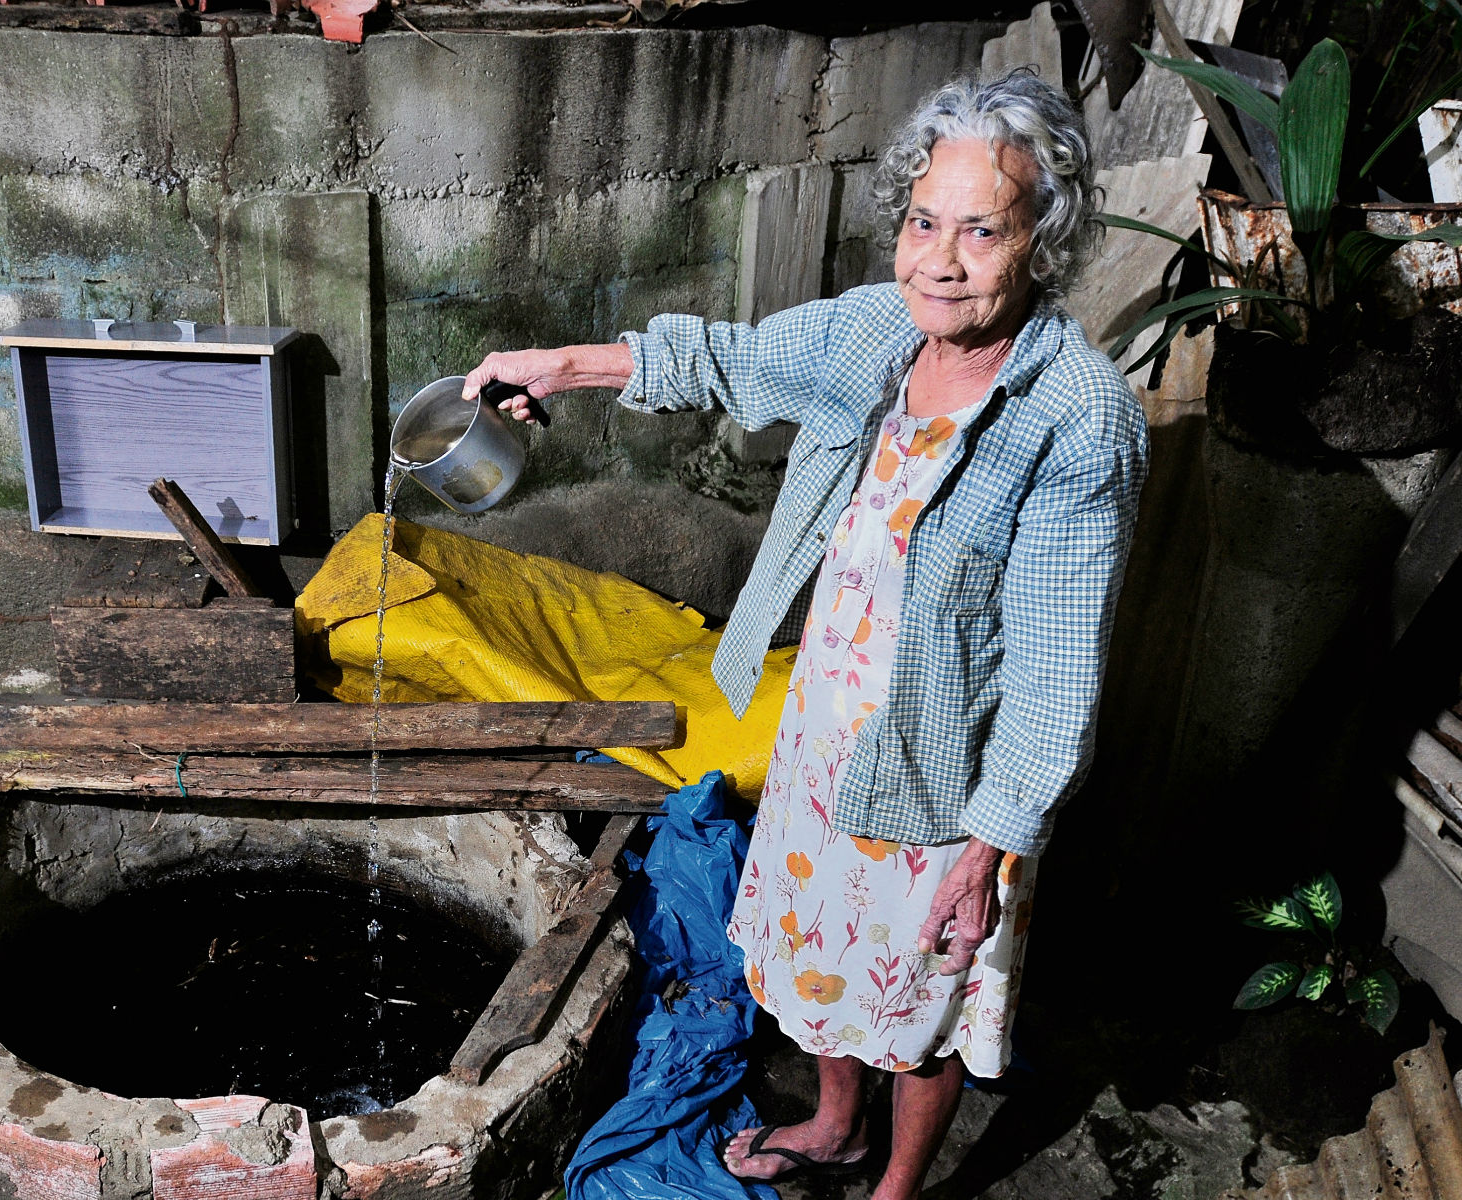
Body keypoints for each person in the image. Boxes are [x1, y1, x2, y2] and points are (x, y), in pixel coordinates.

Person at [460, 70, 1146, 1197]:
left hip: (948, 778)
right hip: (828, 732)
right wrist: (562, 368)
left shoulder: (1077, 419)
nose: (941, 257)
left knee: (921, 995)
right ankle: (836, 1126)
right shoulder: (882, 331)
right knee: (821, 959)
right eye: (926, 221)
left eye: (984, 230)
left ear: (1043, 240)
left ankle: (896, 1186)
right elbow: (733, 358)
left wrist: (989, 852)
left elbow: (1059, 673)